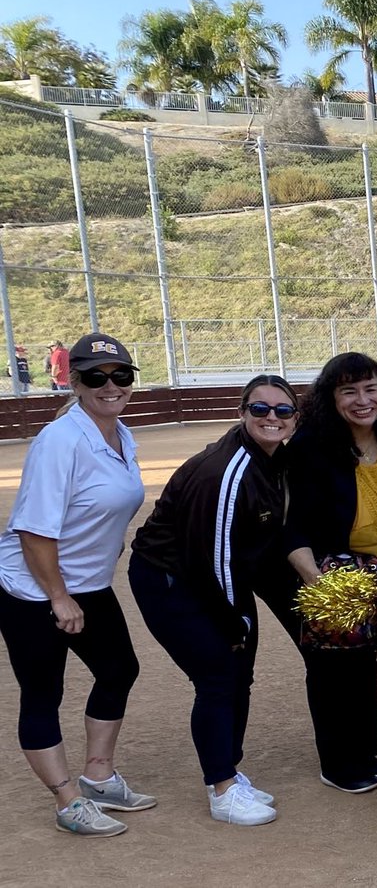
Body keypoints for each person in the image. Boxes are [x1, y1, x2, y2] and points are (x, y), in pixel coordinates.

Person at [0, 333, 152, 838]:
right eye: (95, 377)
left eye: (120, 376)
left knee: (118, 669)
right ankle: (67, 800)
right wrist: (58, 597)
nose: (110, 386)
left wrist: (111, 544)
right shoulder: (60, 441)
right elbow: (34, 529)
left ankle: (99, 776)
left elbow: (103, 505)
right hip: (34, 587)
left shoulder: (119, 431)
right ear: (74, 380)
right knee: (43, 691)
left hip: (86, 581)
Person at [128, 375, 296, 827]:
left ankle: (230, 771)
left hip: (213, 573)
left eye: (282, 410)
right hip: (170, 578)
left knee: (239, 674)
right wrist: (233, 620)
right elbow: (212, 556)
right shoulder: (228, 470)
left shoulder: (273, 458)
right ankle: (221, 787)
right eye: (260, 409)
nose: (271, 418)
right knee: (219, 674)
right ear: (242, 412)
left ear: (294, 418)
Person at [260, 352, 377, 794]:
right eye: (349, 391)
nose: (362, 400)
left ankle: (364, 751)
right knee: (331, 665)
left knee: (362, 658)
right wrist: (324, 585)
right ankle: (337, 760)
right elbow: (293, 528)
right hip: (327, 577)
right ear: (332, 398)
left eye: (371, 389)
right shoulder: (313, 448)